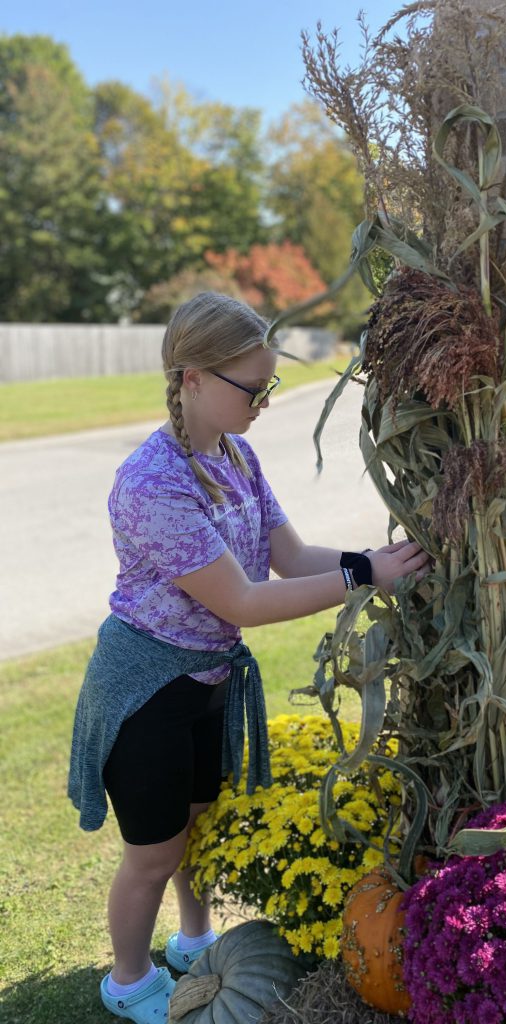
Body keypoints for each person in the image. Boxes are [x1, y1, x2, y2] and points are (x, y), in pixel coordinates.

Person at [68, 292, 430, 1024]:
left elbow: (289, 557)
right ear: (193, 376)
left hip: (206, 681)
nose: (264, 401)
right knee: (152, 853)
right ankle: (129, 983)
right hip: (146, 688)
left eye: (269, 385)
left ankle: (192, 939)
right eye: (252, 387)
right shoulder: (152, 483)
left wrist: (371, 557)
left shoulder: (237, 455)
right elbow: (245, 601)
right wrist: (365, 578)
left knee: (196, 826)